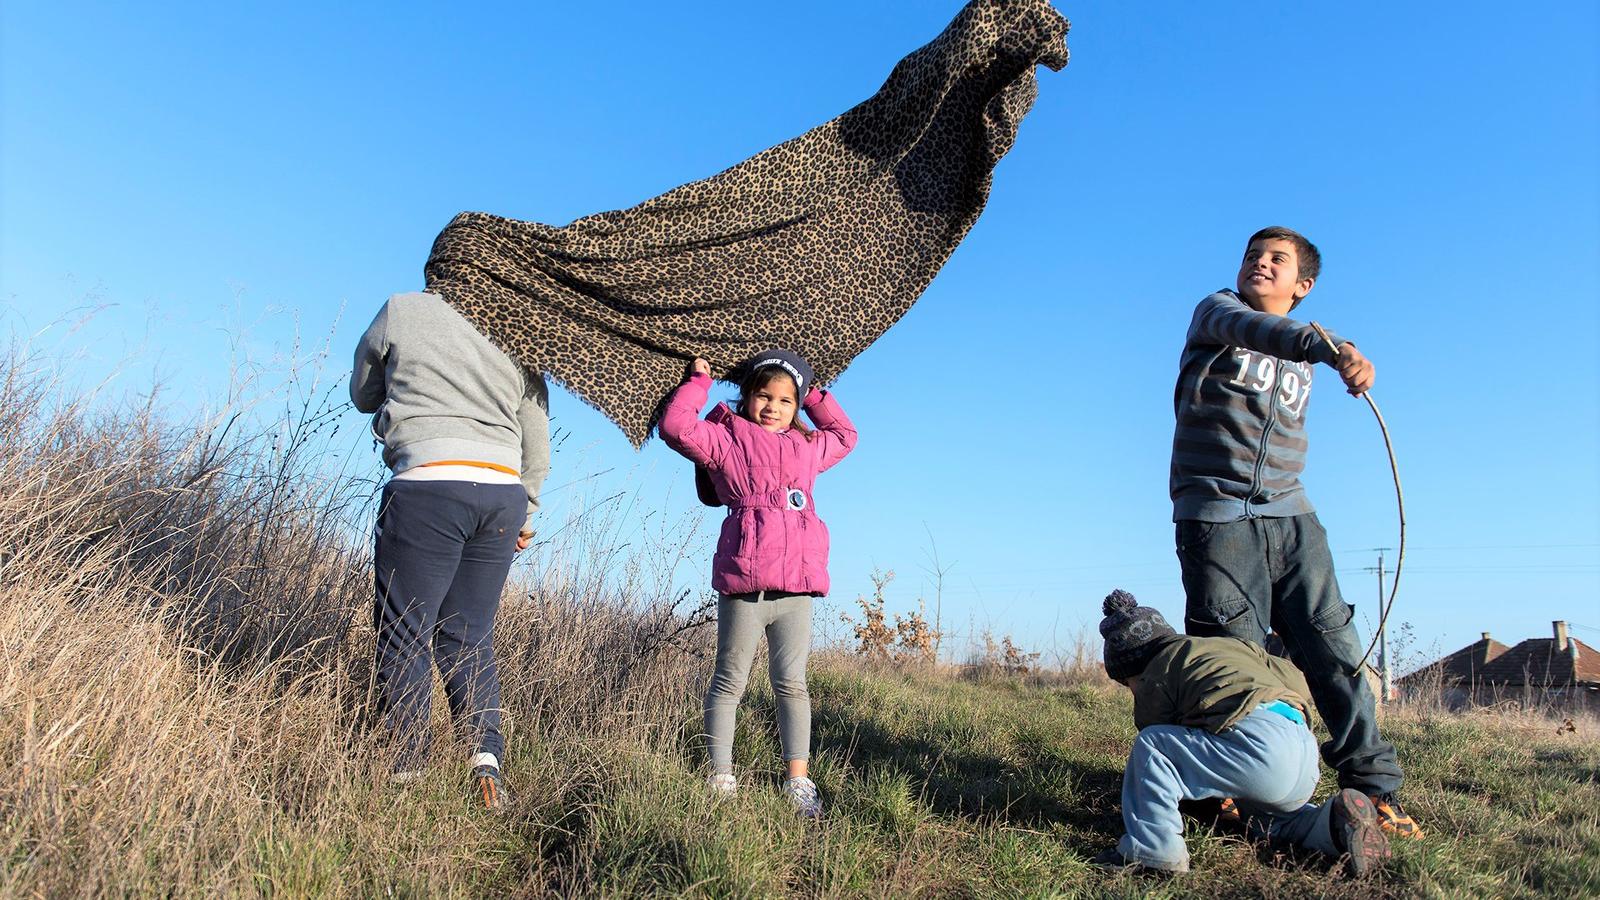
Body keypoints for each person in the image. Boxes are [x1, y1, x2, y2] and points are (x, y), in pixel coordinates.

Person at [1168, 226, 1420, 837]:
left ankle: (1372, 791)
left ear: (1302, 285)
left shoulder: (1313, 344)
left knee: (1334, 647)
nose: (1260, 264)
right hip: (1216, 512)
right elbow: (1268, 332)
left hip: (1292, 513)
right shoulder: (1217, 313)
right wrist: (1330, 348)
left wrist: (1349, 351)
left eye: (1277, 260)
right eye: (1254, 255)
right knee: (1231, 657)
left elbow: (1313, 341)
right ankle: (1214, 792)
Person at [350, 291, 550, 810]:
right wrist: (527, 508)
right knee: (468, 634)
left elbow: (363, 392)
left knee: (406, 628)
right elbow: (536, 433)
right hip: (502, 493)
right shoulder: (518, 323)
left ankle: (405, 773)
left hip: (429, 484)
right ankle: (485, 762)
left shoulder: (401, 308)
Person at [658, 350, 857, 818]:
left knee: (793, 685)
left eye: (786, 400)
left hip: (797, 590)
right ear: (747, 397)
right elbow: (676, 426)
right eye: (764, 396)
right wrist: (699, 382)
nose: (773, 407)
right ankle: (721, 776)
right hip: (745, 585)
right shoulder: (726, 440)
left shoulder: (808, 448)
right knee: (729, 682)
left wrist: (813, 395)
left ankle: (798, 780)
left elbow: (846, 435)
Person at [1093, 590, 1391, 876]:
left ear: (1134, 668)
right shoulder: (1233, 647)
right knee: (1272, 823)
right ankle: (1331, 825)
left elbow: (1153, 726)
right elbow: (1296, 681)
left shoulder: (1157, 668)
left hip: (1258, 746)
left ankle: (1152, 852)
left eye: (1128, 684)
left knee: (1153, 746)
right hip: (1300, 747)